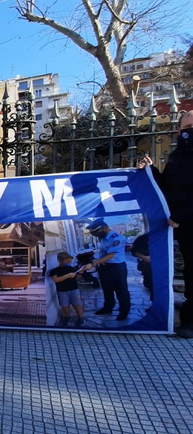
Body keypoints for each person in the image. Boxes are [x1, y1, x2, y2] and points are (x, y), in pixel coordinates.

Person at [139, 111, 193, 336]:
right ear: (179, 131)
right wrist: (151, 171)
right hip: (181, 226)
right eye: (187, 126)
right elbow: (169, 189)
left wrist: (180, 215)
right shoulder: (176, 157)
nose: (190, 130)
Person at [83, 219, 131, 321]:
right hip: (105, 267)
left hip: (117, 268)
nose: (96, 235)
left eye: (96, 232)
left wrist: (93, 264)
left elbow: (111, 255)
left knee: (121, 290)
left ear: (104, 228)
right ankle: (108, 307)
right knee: (107, 289)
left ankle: (123, 312)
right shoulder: (103, 238)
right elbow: (102, 253)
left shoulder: (116, 238)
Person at [49, 251, 85, 327]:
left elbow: (76, 277)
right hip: (62, 291)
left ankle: (81, 318)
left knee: (77, 304)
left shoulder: (71, 268)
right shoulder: (55, 270)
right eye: (68, 261)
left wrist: (80, 273)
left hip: (74, 289)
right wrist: (67, 276)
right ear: (62, 260)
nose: (70, 262)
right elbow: (55, 280)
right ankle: (68, 317)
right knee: (65, 305)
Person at [131, 233, 153, 302]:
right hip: (147, 267)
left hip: (161, 268)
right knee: (149, 284)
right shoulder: (142, 238)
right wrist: (143, 257)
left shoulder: (164, 236)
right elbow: (133, 250)